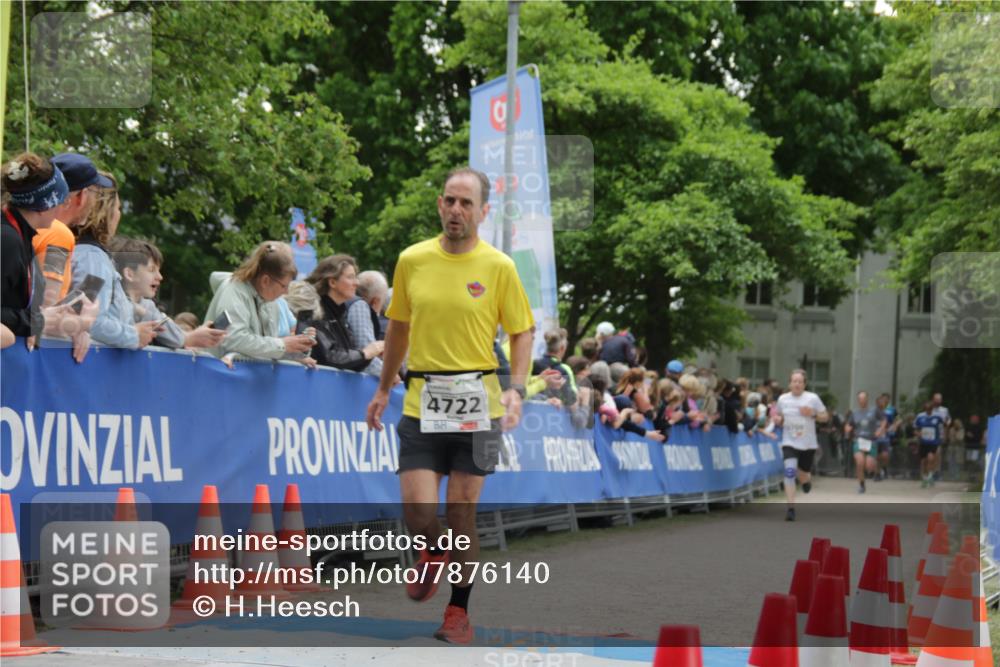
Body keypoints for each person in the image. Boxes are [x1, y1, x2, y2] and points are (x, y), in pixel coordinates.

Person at [365, 167, 535, 644]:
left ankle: (458, 613)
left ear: (483, 211)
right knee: (417, 510)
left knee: (462, 510)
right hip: (422, 399)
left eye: (466, 203)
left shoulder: (499, 266)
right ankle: (434, 549)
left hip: (479, 402)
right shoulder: (412, 260)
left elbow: (522, 331)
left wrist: (516, 387)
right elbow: (398, 328)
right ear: (439, 204)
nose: (456, 210)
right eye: (449, 201)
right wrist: (382, 389)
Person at [2, 153, 95, 363]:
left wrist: (46, 318)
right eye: (61, 200)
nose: (64, 206)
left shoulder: (21, 235)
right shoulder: (8, 239)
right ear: (45, 205)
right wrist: (39, 320)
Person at [71, 172, 161, 350]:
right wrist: (133, 335)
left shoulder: (82, 253)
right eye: (118, 208)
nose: (119, 215)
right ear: (106, 213)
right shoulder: (93, 260)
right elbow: (89, 320)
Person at [203, 241, 316, 366]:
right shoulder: (233, 291)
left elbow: (263, 348)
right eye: (284, 286)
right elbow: (233, 339)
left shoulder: (270, 301)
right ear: (265, 280)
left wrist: (296, 351)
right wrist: (283, 345)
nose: (286, 291)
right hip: (217, 376)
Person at [109, 236, 225, 349]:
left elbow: (176, 338)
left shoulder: (148, 305)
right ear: (130, 274)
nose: (160, 277)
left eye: (159, 271)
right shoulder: (111, 304)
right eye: (152, 270)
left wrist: (193, 336)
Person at [32, 153, 114, 306]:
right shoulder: (58, 235)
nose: (95, 202)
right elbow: (45, 306)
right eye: (95, 193)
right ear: (82, 196)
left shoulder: (31, 223)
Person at [304, 255, 384, 371]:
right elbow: (330, 357)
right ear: (332, 282)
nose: (356, 283)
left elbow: (347, 360)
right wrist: (365, 353)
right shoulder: (314, 312)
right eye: (351, 277)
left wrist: (369, 356)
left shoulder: (338, 313)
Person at [773, 369, 829, 521]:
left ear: (804, 384)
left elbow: (825, 417)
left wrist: (812, 414)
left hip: (807, 444)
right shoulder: (783, 399)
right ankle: (790, 508)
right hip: (789, 442)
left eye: (800, 381)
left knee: (803, 473)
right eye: (794, 381)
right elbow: (778, 415)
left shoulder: (812, 398)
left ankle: (806, 481)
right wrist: (778, 420)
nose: (797, 384)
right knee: (789, 471)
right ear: (790, 383)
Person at [349, 270, 389, 377]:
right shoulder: (360, 307)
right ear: (375, 301)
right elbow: (368, 357)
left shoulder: (343, 304)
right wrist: (391, 375)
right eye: (382, 302)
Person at [845, 391, 887, 494]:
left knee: (869, 466)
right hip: (859, 440)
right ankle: (861, 485)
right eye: (860, 399)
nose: (862, 400)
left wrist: (880, 430)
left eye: (864, 398)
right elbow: (848, 425)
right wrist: (847, 429)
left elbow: (884, 420)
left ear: (867, 399)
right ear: (858, 400)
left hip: (871, 441)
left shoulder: (874, 410)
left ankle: (877, 471)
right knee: (859, 463)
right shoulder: (855, 413)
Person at [532, 329, 577, 406]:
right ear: (562, 348)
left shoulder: (533, 364)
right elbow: (572, 399)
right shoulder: (564, 369)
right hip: (556, 413)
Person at [914, 402, 946, 488]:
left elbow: (944, 425)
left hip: (933, 442)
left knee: (931, 458)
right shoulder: (920, 416)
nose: (928, 410)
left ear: (932, 409)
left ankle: (930, 476)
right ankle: (924, 477)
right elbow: (915, 429)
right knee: (923, 461)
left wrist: (942, 436)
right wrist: (918, 433)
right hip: (923, 442)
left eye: (929, 409)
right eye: (926, 409)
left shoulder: (937, 416)